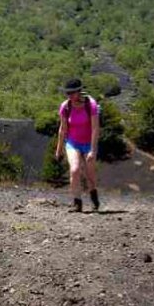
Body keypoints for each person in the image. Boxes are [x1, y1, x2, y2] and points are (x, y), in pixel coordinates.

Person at [55, 78, 101, 212]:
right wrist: (59, 149)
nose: (69, 96)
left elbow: (95, 128)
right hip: (73, 142)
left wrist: (92, 150)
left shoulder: (90, 104)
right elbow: (62, 129)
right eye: (67, 93)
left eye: (72, 93)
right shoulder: (66, 106)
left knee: (90, 174)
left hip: (88, 143)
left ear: (79, 92)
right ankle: (77, 202)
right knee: (74, 170)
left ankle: (93, 196)